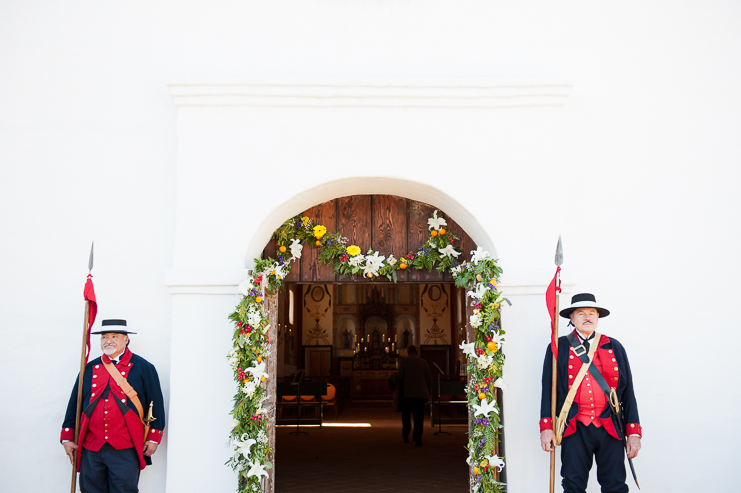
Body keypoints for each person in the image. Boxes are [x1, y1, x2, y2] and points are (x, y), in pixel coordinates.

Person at [540, 293, 642, 493]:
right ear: (572, 318)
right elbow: (547, 390)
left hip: (610, 426)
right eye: (581, 313)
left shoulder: (614, 346)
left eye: (591, 313)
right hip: (574, 427)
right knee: (573, 485)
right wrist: (546, 428)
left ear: (597, 317)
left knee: (615, 485)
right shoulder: (558, 347)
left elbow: (628, 391)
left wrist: (634, 432)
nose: (587, 317)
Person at [61, 319, 165, 493]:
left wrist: (153, 438)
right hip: (91, 446)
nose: (108, 341)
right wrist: (68, 437)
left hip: (126, 446)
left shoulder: (143, 367)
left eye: (115, 336)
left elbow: (155, 402)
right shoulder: (89, 368)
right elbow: (75, 404)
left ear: (126, 339)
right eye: (104, 337)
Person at [396, 345, 432, 446]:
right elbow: (428, 378)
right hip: (420, 393)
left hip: (407, 393)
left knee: (406, 415)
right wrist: (429, 391)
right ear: (416, 352)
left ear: (407, 352)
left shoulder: (403, 361)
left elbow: (399, 376)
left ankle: (406, 434)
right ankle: (417, 438)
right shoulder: (423, 362)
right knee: (419, 417)